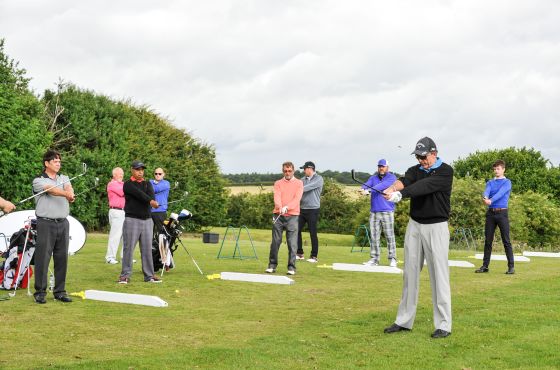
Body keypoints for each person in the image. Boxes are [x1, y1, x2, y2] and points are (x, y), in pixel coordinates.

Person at [382, 137, 453, 339]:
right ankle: (404, 320)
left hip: (436, 227)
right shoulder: (415, 169)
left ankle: (444, 324)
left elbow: (425, 186)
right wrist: (392, 189)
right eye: (419, 156)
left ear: (434, 153)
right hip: (415, 225)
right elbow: (404, 181)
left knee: (439, 275)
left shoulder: (445, 171)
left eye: (424, 156)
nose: (421, 160)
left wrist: (402, 195)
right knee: (409, 273)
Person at [32, 150, 75, 304]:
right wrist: (66, 194)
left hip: (63, 223)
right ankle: (40, 292)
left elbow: (69, 188)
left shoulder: (64, 177)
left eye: (59, 161)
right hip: (45, 223)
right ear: (47, 163)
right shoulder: (38, 180)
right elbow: (52, 190)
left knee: (62, 258)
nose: (58, 163)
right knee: (43, 258)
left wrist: (70, 193)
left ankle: (60, 291)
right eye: (55, 161)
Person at [118, 160, 161, 284]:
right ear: (132, 170)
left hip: (147, 220)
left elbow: (150, 196)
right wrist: (150, 201)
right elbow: (139, 195)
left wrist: (150, 200)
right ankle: (125, 275)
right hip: (132, 220)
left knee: (147, 249)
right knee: (128, 248)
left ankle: (149, 276)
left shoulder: (148, 184)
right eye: (137, 169)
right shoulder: (127, 184)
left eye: (142, 169)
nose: (140, 172)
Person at [475, 160, 514, 275]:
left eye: (498, 169)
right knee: (488, 241)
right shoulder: (490, 182)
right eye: (494, 169)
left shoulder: (507, 182)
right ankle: (485, 266)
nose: (496, 171)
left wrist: (490, 200)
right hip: (491, 214)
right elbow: (486, 192)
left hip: (502, 213)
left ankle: (511, 267)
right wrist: (485, 197)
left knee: (506, 241)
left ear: (503, 169)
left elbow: (501, 193)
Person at [266, 162, 303, 275]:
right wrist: (280, 207)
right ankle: (272, 265)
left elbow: (297, 198)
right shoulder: (278, 183)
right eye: (285, 171)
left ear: (293, 171)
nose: (287, 173)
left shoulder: (299, 183)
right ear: (283, 171)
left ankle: (291, 267)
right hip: (278, 215)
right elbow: (277, 196)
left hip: (293, 215)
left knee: (292, 243)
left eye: (289, 171)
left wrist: (287, 207)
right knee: (276, 241)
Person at [360, 159, 398, 267]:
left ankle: (392, 258)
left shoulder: (392, 178)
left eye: (383, 166)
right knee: (374, 236)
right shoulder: (373, 178)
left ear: (387, 168)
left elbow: (381, 187)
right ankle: (374, 259)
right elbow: (367, 184)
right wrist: (362, 189)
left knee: (389, 236)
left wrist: (369, 190)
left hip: (387, 211)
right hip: (374, 212)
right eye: (379, 166)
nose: (381, 168)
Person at [296, 161, 324, 263]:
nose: (304, 171)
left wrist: (298, 189)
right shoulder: (302, 180)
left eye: (305, 169)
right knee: (296, 230)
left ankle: (314, 256)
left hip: (313, 209)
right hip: (302, 209)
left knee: (312, 232)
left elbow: (306, 188)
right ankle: (299, 253)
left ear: (310, 168)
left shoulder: (319, 179)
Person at [105, 167, 125, 264]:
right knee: (115, 235)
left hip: (124, 211)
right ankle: (110, 257)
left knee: (126, 236)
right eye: (119, 173)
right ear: (114, 175)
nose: (121, 175)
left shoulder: (123, 184)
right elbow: (123, 192)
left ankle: (124, 257)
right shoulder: (112, 184)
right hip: (116, 211)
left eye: (122, 173)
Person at [150, 167, 170, 235]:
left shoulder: (166, 183)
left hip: (160, 212)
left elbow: (156, 189)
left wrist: (152, 184)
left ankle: (162, 246)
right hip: (149, 211)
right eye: (156, 173)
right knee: (149, 233)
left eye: (160, 174)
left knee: (162, 232)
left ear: (163, 174)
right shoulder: (150, 182)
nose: (157, 175)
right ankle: (151, 245)